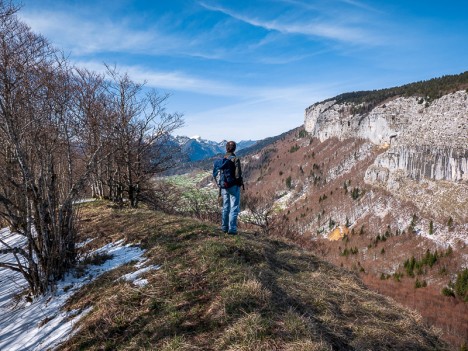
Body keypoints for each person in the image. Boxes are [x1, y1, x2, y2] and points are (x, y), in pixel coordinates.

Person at [213, 141, 243, 235]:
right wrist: (239, 182)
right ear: (234, 148)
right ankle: (232, 229)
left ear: (226, 148)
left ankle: (224, 227)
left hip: (223, 186)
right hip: (233, 186)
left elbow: (216, 173)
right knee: (234, 207)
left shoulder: (222, 160)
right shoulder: (235, 159)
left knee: (225, 207)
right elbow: (238, 175)